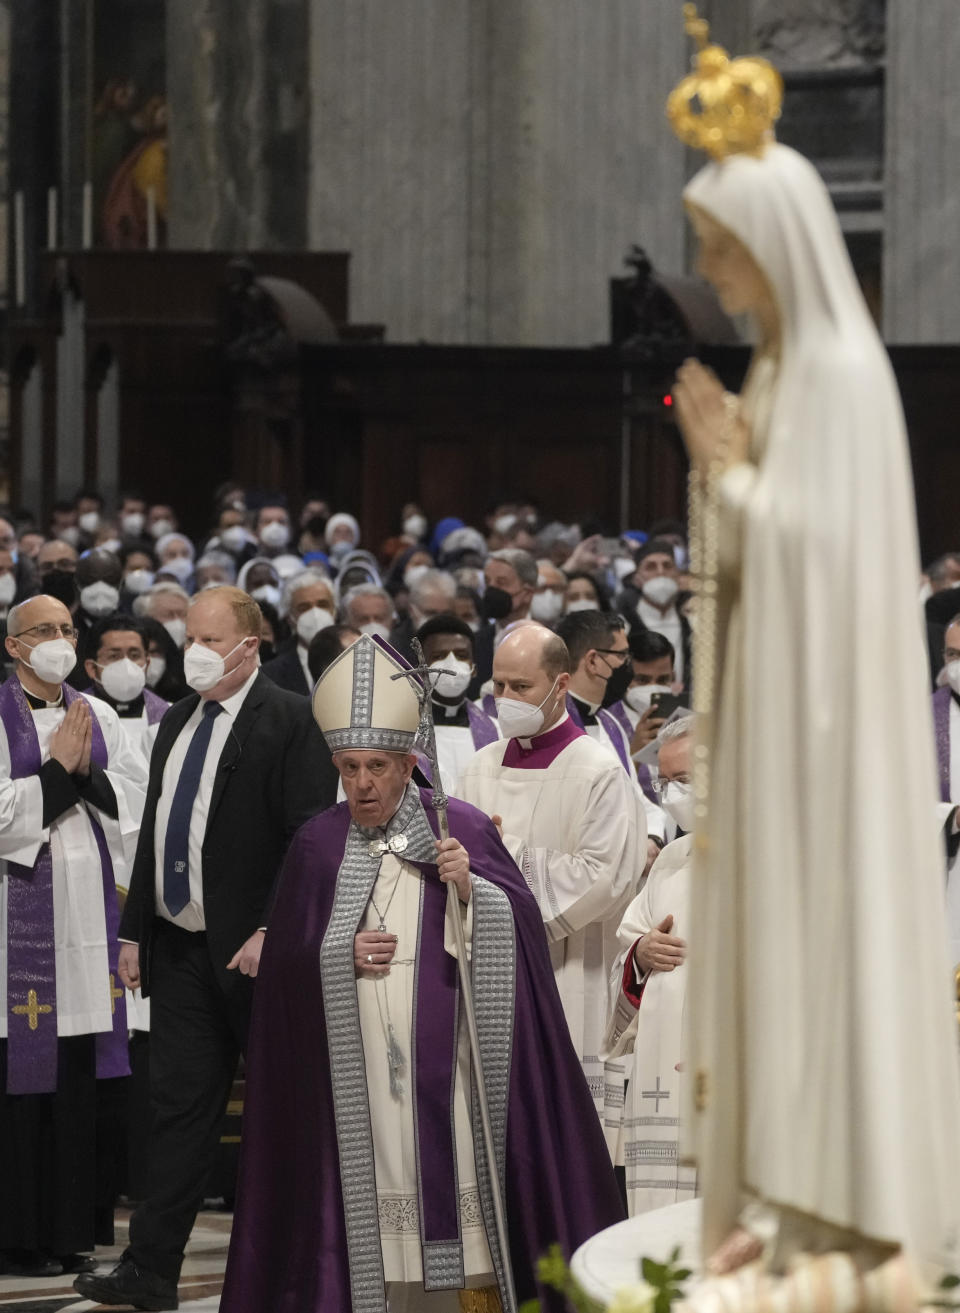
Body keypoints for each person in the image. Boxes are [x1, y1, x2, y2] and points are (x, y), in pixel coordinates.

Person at [667, 19, 960, 1286]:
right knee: (771, 952)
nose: (715, 274)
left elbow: (830, 566)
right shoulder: (788, 365)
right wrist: (730, 476)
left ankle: (822, 1201)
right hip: (780, 725)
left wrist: (728, 475)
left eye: (722, 253)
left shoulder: (837, 372)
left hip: (824, 736)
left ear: (776, 244)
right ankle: (776, 1198)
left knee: (816, 949)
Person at [218, 633, 624, 1313]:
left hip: (453, 1078)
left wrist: (473, 892)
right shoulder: (317, 843)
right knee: (364, 1227)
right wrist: (331, 955)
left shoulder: (456, 828)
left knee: (462, 1235)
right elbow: (284, 967)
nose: (362, 784)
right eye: (347, 767)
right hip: (358, 1085)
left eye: (376, 765)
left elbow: (522, 931)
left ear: (409, 763)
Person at [76, 586, 339, 1310]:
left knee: (285, 1106)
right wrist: (135, 929)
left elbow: (309, 839)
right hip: (184, 950)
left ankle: (300, 1258)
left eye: (209, 638)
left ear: (249, 646)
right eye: (189, 635)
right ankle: (151, 1265)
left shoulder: (289, 718)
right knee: (178, 1108)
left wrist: (271, 930)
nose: (191, 650)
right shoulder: (179, 720)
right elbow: (156, 828)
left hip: (260, 951)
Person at [457, 624, 646, 1155]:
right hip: (491, 967)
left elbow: (603, 877)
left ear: (561, 684)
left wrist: (502, 852)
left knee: (562, 1138)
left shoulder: (598, 770)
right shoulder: (480, 767)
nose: (506, 700)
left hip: (570, 972)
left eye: (521, 686)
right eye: (499, 686)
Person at [0, 595, 147, 1276]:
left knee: (78, 1077)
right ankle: (20, 1235)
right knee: (23, 1086)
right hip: (18, 925)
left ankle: (73, 1230)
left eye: (66, 629)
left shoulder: (102, 715)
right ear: (13, 646)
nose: (59, 640)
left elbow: (134, 800)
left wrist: (83, 768)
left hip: (89, 925)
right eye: (43, 631)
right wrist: (57, 769)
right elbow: (3, 818)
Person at [603, 716, 697, 1217]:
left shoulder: (773, 856)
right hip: (660, 1064)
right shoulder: (672, 858)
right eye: (663, 781)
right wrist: (640, 955)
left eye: (683, 779)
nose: (670, 793)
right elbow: (630, 944)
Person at [556, 608, 666, 860]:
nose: (627, 664)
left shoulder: (610, 723)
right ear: (593, 661)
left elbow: (637, 801)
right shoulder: (551, 725)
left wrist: (652, 838)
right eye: (622, 655)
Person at [414, 613, 500, 792]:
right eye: (439, 655)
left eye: (461, 655)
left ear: (474, 668)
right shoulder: (408, 734)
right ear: (421, 669)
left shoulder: (496, 729)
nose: (452, 663)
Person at [83, 614, 170, 762]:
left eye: (134, 655)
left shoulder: (170, 717)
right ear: (91, 668)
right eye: (114, 656)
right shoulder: (71, 714)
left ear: (147, 664)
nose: (126, 665)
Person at [618, 538, 691, 689]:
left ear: (678, 575)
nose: (660, 572)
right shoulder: (621, 626)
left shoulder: (692, 623)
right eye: (650, 567)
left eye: (667, 566)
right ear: (637, 578)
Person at [933, 615, 960, 970]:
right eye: (952, 655)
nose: (958, 666)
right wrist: (951, 816)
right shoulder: (923, 717)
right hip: (949, 873)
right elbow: (899, 805)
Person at [262, 567, 336, 695]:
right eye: (304, 608)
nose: (315, 613)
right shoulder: (269, 674)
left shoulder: (359, 662)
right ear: (289, 617)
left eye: (323, 605)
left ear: (334, 611)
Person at [473, 547, 538, 691]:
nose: (491, 589)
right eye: (487, 582)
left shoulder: (552, 642)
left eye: (501, 583)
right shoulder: (473, 644)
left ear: (527, 593)